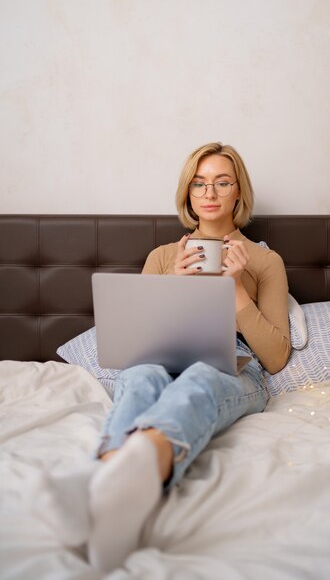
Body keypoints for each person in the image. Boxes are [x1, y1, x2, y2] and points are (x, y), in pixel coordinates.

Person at [29, 142, 291, 572]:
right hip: (162, 353)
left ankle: (103, 485)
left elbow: (277, 357)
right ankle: (113, 488)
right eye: (199, 183)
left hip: (236, 363)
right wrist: (173, 282)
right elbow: (138, 341)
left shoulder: (264, 261)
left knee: (198, 381)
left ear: (238, 192)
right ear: (188, 193)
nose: (210, 192)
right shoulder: (164, 256)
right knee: (141, 375)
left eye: (222, 182)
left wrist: (238, 291)